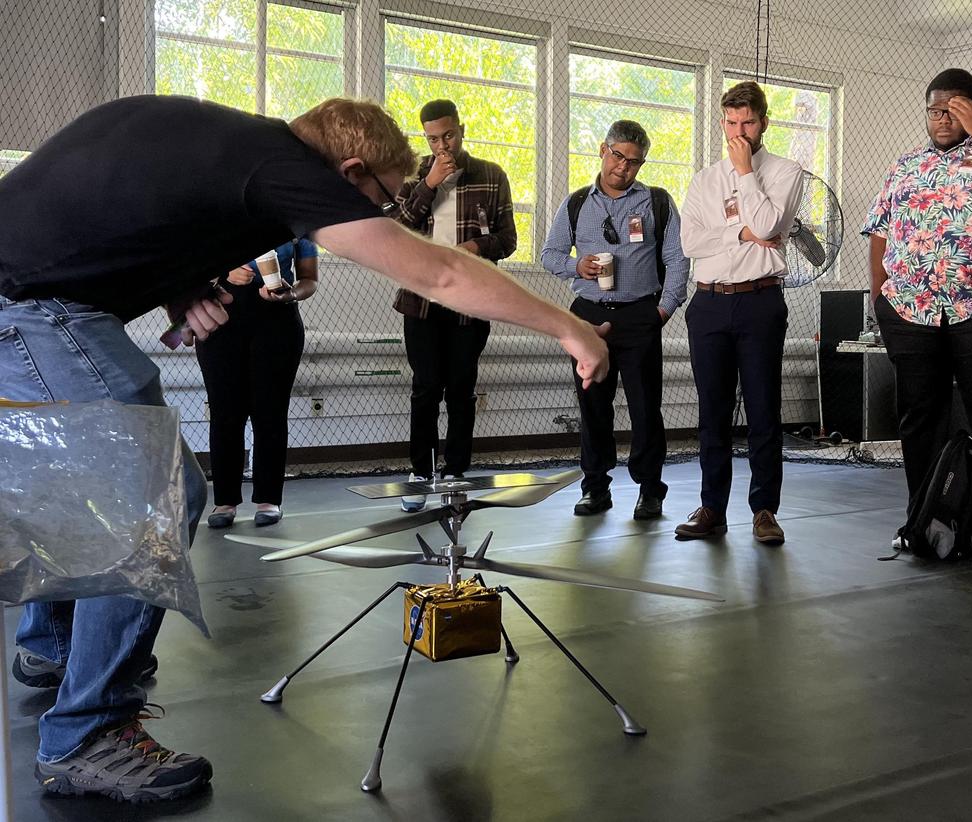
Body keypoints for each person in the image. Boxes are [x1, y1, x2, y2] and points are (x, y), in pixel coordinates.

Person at [0, 95, 608, 802]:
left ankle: (50, 646)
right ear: (349, 170)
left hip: (30, 288)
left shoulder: (226, 144)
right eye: (381, 200)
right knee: (157, 488)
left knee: (86, 479)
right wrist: (570, 328)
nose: (381, 215)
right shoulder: (282, 167)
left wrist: (178, 291)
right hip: (31, 306)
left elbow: (120, 203)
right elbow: (437, 274)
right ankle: (87, 732)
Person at [862, 68, 972, 561]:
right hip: (911, 310)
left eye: (955, 109)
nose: (942, 118)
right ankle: (922, 520)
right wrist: (881, 294)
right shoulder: (906, 165)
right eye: (935, 110)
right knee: (919, 418)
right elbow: (880, 230)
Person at [675, 81, 804, 545]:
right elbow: (691, 242)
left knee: (763, 407)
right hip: (708, 302)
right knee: (712, 411)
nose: (738, 131)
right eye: (731, 123)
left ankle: (765, 510)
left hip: (759, 300)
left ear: (763, 122)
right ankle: (713, 507)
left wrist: (746, 173)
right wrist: (742, 234)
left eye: (747, 122)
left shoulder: (787, 172)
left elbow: (770, 224)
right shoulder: (704, 179)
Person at [541, 120, 690, 519]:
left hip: (642, 314)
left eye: (634, 162)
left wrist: (664, 309)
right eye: (618, 156)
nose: (624, 168)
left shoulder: (657, 202)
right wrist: (578, 266)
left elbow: (677, 259)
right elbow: (550, 254)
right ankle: (595, 488)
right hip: (588, 318)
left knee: (645, 408)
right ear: (602, 150)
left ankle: (650, 490)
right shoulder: (576, 203)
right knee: (592, 406)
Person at [394, 99, 518, 513]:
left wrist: (475, 246)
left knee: (461, 388)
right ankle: (420, 472)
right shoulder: (413, 177)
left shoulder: (490, 175)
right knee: (426, 386)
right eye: (432, 138)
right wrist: (429, 183)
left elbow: (508, 239)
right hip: (422, 300)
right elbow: (397, 230)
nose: (442, 145)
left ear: (461, 130)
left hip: (470, 297)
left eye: (448, 135)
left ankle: (455, 472)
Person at [199, 238, 319, 528]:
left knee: (270, 412)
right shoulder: (221, 216)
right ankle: (225, 501)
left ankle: (269, 499)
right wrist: (225, 273)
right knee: (226, 412)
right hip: (223, 318)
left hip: (277, 320)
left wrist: (290, 294)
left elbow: (309, 280)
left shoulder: (295, 223)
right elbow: (190, 267)